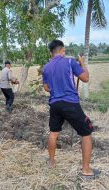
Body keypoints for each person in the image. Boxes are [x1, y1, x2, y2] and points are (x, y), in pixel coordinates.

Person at [42, 39, 98, 179]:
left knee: (53, 133)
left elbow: (46, 88)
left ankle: (52, 162)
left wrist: (57, 87)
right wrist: (82, 64)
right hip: (70, 103)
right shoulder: (69, 61)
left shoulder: (46, 67)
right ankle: (86, 169)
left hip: (54, 104)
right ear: (63, 50)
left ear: (51, 52)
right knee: (86, 133)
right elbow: (85, 78)